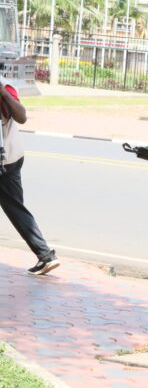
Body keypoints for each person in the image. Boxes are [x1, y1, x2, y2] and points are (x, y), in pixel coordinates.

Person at [0, 80, 59, 275]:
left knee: (16, 208)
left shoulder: (6, 89)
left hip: (7, 161)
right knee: (16, 209)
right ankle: (45, 255)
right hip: (12, 157)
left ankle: (44, 254)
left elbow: (22, 116)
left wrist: (4, 94)